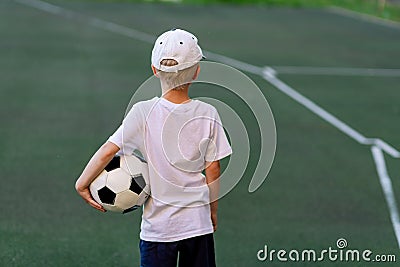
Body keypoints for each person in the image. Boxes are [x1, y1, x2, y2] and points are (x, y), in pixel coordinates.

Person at [75, 28, 232, 267]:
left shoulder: (142, 111)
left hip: (158, 230)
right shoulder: (208, 113)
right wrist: (212, 212)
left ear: (155, 71)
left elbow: (108, 150)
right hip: (197, 225)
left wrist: (82, 183)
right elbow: (213, 169)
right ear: (197, 72)